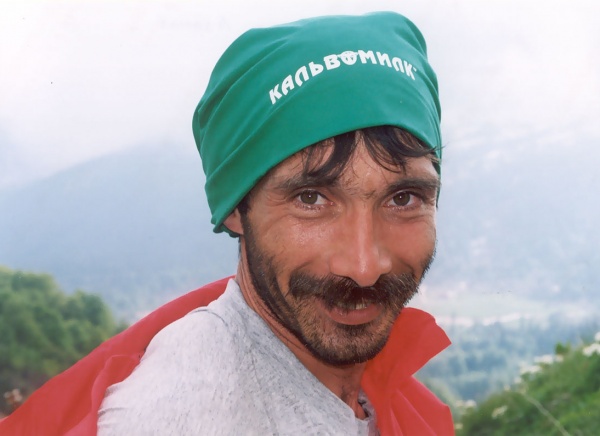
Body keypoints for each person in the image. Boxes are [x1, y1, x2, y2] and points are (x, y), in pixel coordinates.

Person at [0, 11, 453, 435]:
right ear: (236, 206)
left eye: (403, 198)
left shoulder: (365, 394)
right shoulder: (189, 414)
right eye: (311, 198)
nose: (364, 266)